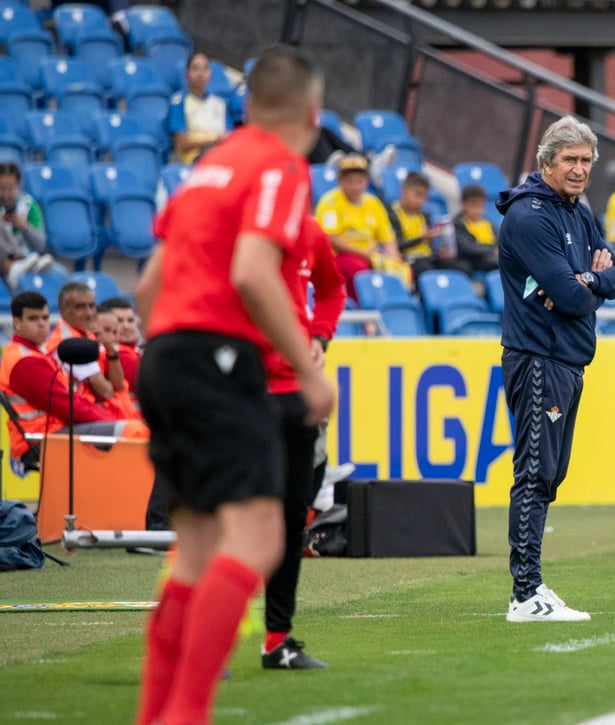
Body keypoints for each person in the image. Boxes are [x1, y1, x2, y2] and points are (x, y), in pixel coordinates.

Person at [132, 47, 335, 725]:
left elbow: (148, 285)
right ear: (313, 112)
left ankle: (158, 714)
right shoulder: (280, 165)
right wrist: (308, 370)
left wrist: (172, 351)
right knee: (259, 535)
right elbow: (252, 271)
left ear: (246, 107)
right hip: (216, 356)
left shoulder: (208, 165)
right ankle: (186, 713)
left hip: (164, 354)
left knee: (195, 549)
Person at [497, 115, 615, 622]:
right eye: (570, 159)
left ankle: (530, 587)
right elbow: (570, 297)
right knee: (535, 473)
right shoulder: (530, 217)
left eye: (586, 160)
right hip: (538, 358)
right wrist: (585, 285)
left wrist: (587, 283)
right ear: (546, 163)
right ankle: (525, 593)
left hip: (567, 360)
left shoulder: (579, 212)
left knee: (550, 474)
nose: (579, 169)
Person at [261, 215, 346, 671]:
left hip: (293, 391)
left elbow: (332, 289)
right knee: (230, 517)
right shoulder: (235, 225)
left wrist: (319, 336)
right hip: (241, 389)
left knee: (292, 518)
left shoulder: (309, 231)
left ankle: (277, 641)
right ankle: (203, 638)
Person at [0, 292, 122, 468]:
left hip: (52, 432)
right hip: (43, 437)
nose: (42, 324)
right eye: (33, 319)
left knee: (130, 431)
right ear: (17, 323)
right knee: (128, 432)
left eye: (44, 318)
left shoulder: (33, 354)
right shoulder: (26, 361)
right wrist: (113, 422)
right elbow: (67, 406)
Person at [315, 153, 405, 300]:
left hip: (372, 256)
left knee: (402, 271)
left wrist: (394, 258)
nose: (355, 186)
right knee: (358, 269)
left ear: (366, 182)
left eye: (359, 181)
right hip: (338, 256)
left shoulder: (374, 203)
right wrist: (366, 254)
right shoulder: (329, 202)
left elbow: (387, 237)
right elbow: (332, 238)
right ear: (340, 180)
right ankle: (358, 307)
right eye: (350, 181)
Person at [48, 282, 126, 406]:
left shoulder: (89, 334)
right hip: (83, 412)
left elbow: (119, 385)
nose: (89, 313)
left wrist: (110, 350)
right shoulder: (68, 343)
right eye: (80, 307)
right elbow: (106, 391)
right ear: (64, 310)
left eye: (91, 306)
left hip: (97, 410)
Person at [389, 171, 465, 278]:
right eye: (417, 195)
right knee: (425, 268)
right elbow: (397, 245)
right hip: (408, 259)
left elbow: (428, 247)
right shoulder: (391, 214)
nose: (420, 201)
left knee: (461, 267)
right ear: (404, 191)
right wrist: (421, 239)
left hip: (428, 258)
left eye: (424, 197)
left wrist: (440, 253)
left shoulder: (424, 215)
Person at [0, 162, 57, 290]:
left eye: (10, 188)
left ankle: (22, 265)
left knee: (60, 274)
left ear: (18, 184)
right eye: (2, 188)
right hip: (3, 260)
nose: (6, 194)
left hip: (26, 256)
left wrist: (25, 227)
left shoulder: (28, 204)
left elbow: (40, 245)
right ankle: (13, 267)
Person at [169, 52, 233, 165]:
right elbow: (183, 144)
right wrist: (213, 141)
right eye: (195, 69)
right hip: (195, 159)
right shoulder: (178, 102)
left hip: (222, 155)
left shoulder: (220, 103)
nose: (200, 74)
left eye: (205, 69)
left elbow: (229, 135)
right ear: (187, 73)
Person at [454, 183, 500, 274]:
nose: (476, 210)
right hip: (473, 260)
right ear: (463, 204)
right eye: (472, 205)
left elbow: (498, 242)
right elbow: (467, 247)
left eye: (480, 206)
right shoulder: (458, 224)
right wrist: (492, 250)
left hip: (490, 257)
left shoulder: (488, 224)